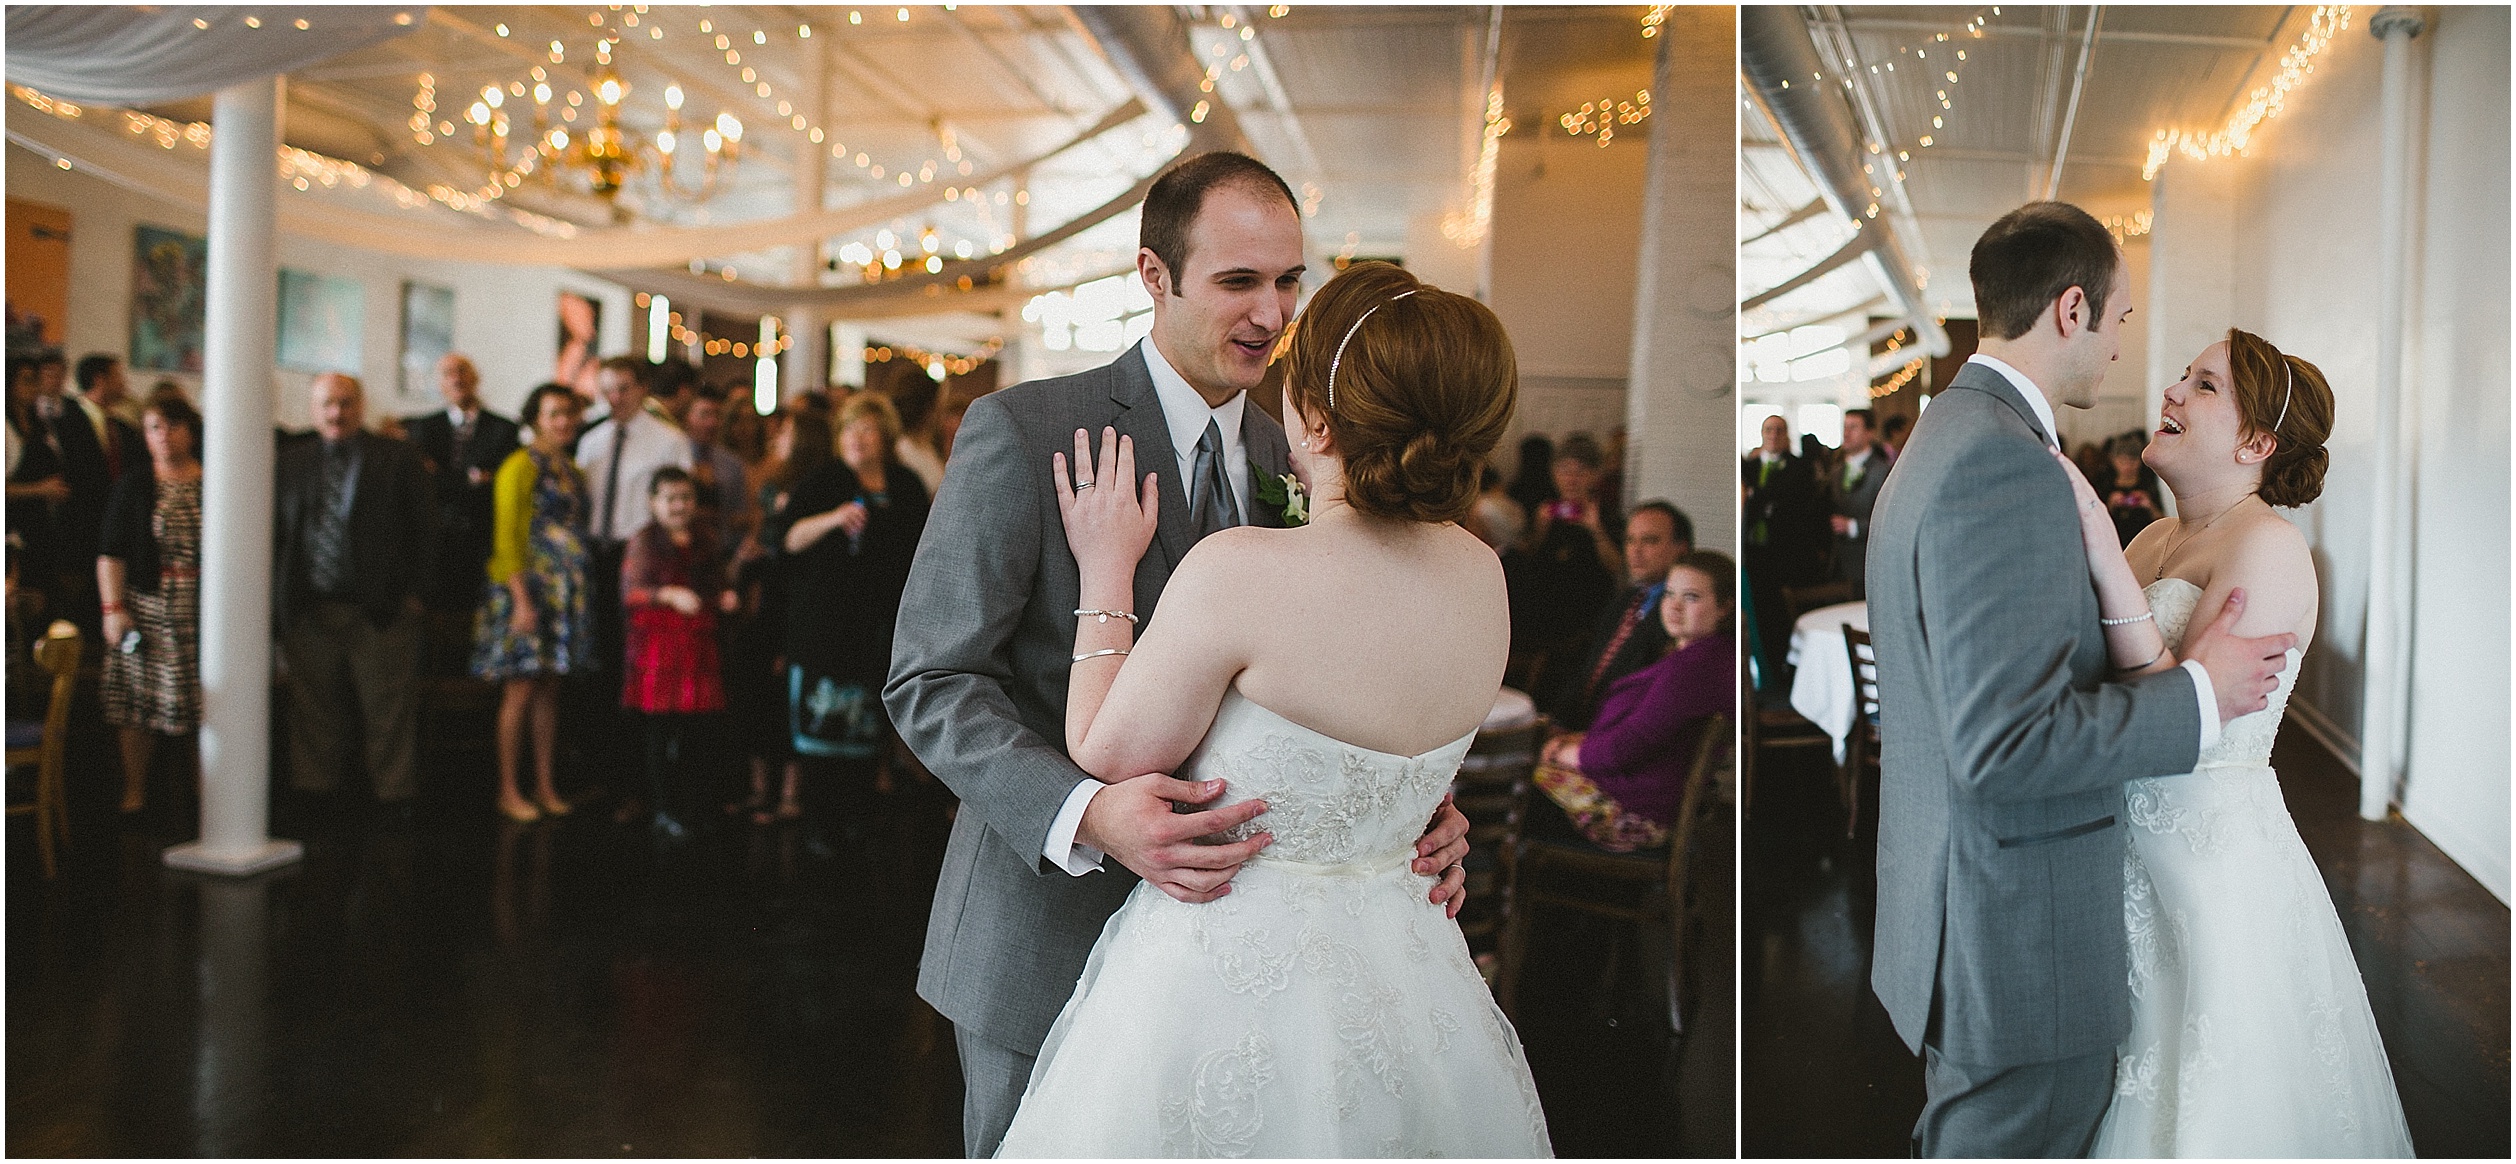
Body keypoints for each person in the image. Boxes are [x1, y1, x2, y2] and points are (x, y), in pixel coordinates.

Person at [882, 154, 1471, 1158]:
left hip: (1244, 970)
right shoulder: (1026, 431)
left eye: (1288, 282)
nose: (1271, 313)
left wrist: (1397, 799)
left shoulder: (1308, 447)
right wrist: (1086, 811)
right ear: (1153, 277)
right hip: (1048, 930)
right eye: (1238, 282)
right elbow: (930, 679)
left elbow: (1330, 672)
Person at [994, 259, 1548, 1157]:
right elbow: (1389, 756)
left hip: (1224, 985)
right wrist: (1425, 815)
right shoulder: (1484, 577)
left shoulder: (1243, 571)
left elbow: (1102, 750)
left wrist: (1106, 570)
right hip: (1412, 976)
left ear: (1317, 420)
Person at [1864, 201, 2297, 1158]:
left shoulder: (1952, 436)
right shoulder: (2004, 464)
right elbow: (2006, 741)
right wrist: (2196, 692)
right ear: (2072, 311)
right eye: (2121, 321)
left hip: (2000, 901)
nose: (2127, 356)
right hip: (2014, 928)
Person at [2051, 332, 2409, 1157]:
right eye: (2183, 377)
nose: (2171, 392)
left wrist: (2101, 554)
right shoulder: (2152, 542)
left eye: (2202, 384)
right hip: (2121, 850)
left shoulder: (2271, 547)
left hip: (2207, 866)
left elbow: (2187, 714)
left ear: (2256, 444)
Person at [273, 373, 438, 813]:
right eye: (326, 403)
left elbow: (425, 530)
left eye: (345, 403)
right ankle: (316, 795)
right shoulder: (290, 461)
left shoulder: (397, 458)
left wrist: (416, 596)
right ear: (311, 407)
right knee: (313, 711)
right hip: (309, 609)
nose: (335, 413)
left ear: (361, 406)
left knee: (387, 712)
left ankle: (393, 797)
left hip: (381, 610)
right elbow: (277, 534)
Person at [766, 393, 928, 790]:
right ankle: (820, 821)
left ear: (885, 437)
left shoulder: (905, 485)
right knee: (821, 729)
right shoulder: (825, 480)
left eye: (867, 428)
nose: (856, 437)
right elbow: (787, 539)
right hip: (825, 623)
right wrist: (832, 519)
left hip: (882, 624)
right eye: (849, 428)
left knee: (868, 731)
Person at [1530, 550, 1735, 853]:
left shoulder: (1695, 667)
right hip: (1635, 794)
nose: (1674, 607)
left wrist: (1564, 751)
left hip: (1630, 814)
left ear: (1724, 607)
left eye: (1691, 597)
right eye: (1669, 594)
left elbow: (1627, 746)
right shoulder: (1703, 656)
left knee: (1504, 787)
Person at [575, 356, 692, 818]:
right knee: (600, 671)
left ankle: (642, 788)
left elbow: (680, 506)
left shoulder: (668, 440)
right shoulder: (592, 441)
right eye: (606, 389)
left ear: (642, 388)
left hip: (645, 559)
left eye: (623, 388)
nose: (614, 398)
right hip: (598, 559)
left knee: (639, 672)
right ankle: (604, 778)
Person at [473, 384, 595, 823]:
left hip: (564, 594)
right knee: (520, 690)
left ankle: (545, 783)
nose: (564, 421)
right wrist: (522, 600)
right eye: (554, 413)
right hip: (524, 591)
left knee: (550, 691)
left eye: (570, 413)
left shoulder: (572, 470)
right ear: (536, 419)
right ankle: (508, 788)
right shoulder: (518, 466)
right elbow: (505, 538)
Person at [97, 393, 204, 813]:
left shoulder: (213, 479)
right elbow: (111, 551)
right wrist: (113, 608)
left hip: (201, 608)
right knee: (138, 703)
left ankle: (206, 793)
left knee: (205, 704)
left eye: (171, 426)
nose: (162, 436)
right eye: (153, 428)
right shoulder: (135, 485)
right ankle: (135, 791)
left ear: (190, 431)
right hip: (149, 605)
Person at [621, 465, 736, 841]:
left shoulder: (705, 539)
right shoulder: (643, 541)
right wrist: (667, 594)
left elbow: (716, 584)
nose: (678, 506)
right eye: (670, 498)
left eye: (685, 498)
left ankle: (695, 807)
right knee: (658, 733)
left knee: (698, 734)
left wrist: (724, 596)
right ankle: (662, 808)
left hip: (699, 647)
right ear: (654, 503)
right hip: (659, 650)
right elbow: (630, 592)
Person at [726, 410, 826, 824]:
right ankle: (758, 789)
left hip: (788, 595)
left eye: (785, 430)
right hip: (760, 590)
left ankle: (788, 794)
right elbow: (761, 529)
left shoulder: (813, 485)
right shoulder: (773, 477)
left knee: (782, 693)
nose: (777, 436)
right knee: (754, 693)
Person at [1533, 500, 1690, 731]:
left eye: (1649, 541)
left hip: (1619, 732)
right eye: (1630, 540)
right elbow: (1589, 665)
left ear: (1681, 548)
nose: (1635, 551)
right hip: (1582, 725)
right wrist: (1559, 720)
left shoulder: (1681, 613)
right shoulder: (1628, 598)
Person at [404, 354, 522, 618]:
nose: (456, 378)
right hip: (438, 540)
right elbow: (423, 484)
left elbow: (500, 484)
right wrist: (472, 478)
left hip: (483, 539)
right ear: (439, 383)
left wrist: (443, 477)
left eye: (462, 371)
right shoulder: (422, 429)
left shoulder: (503, 429)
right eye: (447, 373)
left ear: (475, 378)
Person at [1741, 413, 1824, 678]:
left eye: (1779, 430)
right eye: (1769, 430)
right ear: (1762, 434)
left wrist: (1759, 496)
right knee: (1760, 613)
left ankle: (1789, 668)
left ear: (1786, 435)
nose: (1773, 435)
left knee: (1783, 613)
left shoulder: (1799, 467)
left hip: (1785, 554)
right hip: (1754, 551)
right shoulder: (1749, 468)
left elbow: (1796, 507)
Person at [1826, 407, 1894, 596]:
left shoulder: (1882, 471)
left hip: (1866, 563)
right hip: (1837, 565)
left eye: (1853, 427)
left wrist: (1853, 526)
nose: (1846, 433)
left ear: (1869, 433)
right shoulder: (1835, 471)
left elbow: (1889, 519)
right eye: (1845, 427)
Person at [680, 385, 752, 549]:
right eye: (704, 414)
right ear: (688, 417)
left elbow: (739, 514)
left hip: (721, 549)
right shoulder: (675, 456)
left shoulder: (732, 463)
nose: (712, 423)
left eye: (717, 415)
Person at [2101, 429, 2164, 547]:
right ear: (2113, 460)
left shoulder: (2148, 484)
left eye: (2132, 461)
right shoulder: (2105, 484)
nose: (2127, 466)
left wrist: (2149, 505)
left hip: (2144, 544)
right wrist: (2110, 504)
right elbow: (2095, 524)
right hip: (2114, 545)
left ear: (2140, 461)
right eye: (2122, 460)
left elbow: (2163, 520)